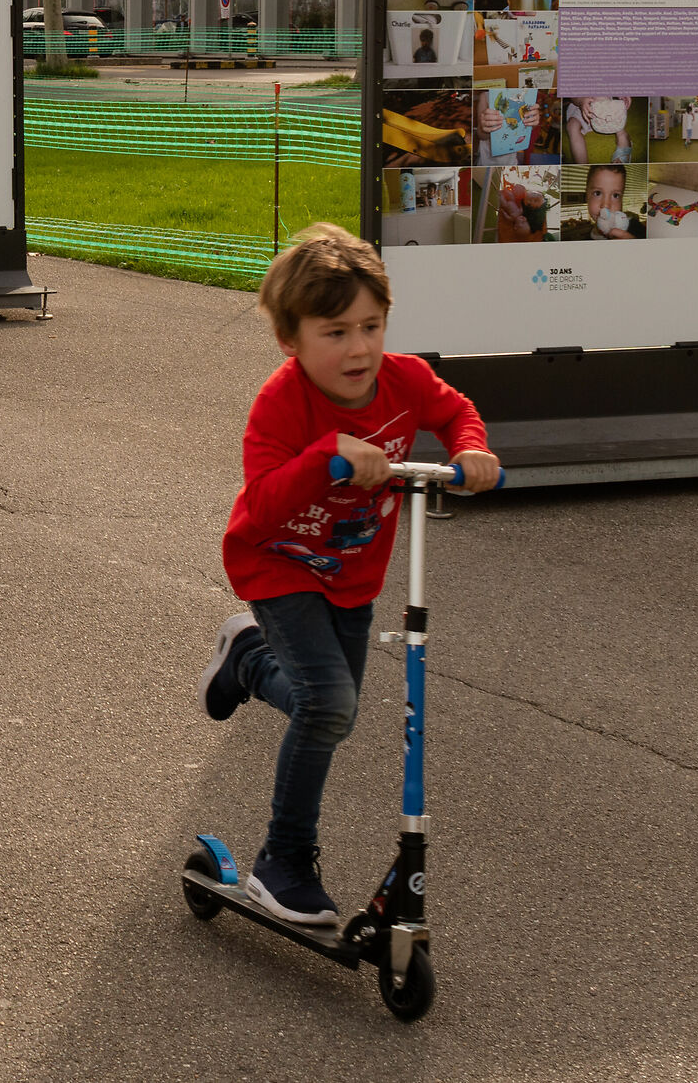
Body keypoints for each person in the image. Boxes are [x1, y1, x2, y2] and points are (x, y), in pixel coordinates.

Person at [196, 225, 499, 927]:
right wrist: (328, 453)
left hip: (354, 577)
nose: (359, 346)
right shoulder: (284, 402)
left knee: (334, 710)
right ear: (291, 341)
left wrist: (472, 449)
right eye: (336, 331)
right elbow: (266, 501)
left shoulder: (405, 380)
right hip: (276, 564)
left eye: (372, 325)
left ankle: (246, 661)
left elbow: (455, 411)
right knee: (329, 704)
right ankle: (284, 860)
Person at [584, 163, 641, 239]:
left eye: (615, 195)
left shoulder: (637, 229)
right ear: (586, 196)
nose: (605, 205)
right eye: (597, 193)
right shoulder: (585, 239)